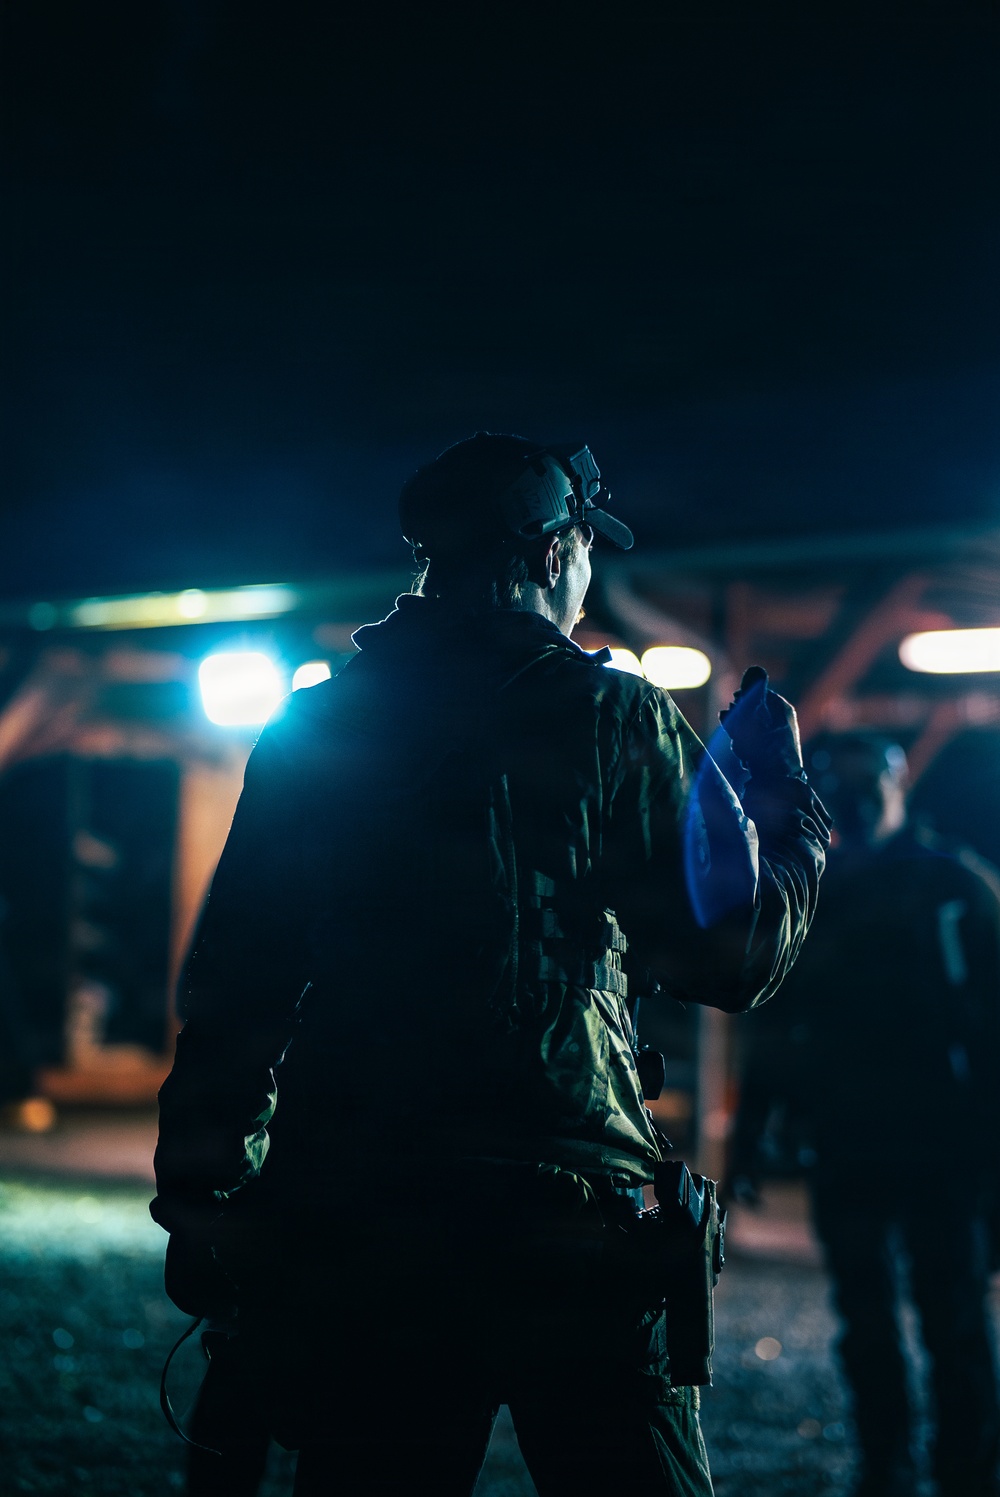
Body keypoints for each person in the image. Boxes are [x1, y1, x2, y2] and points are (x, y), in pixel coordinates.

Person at [151, 433, 830, 1497]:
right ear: (554, 550)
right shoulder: (611, 716)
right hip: (572, 1233)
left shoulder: (317, 724)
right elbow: (731, 961)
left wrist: (203, 1204)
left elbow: (235, 990)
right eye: (584, 551)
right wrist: (787, 818)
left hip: (366, 1222)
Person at [727, 732, 1000, 1497]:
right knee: (869, 1320)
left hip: (942, 1144)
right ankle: (888, 1469)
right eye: (835, 785)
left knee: (953, 1317)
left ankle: (966, 1472)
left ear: (897, 780)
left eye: (860, 782)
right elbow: (776, 1026)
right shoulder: (826, 892)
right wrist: (749, 1137)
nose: (849, 799)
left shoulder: (955, 885)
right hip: (850, 1139)